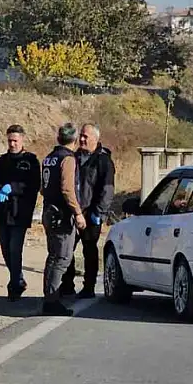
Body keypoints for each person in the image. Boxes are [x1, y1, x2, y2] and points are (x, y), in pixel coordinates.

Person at [0, 124, 40, 301]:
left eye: (15, 140)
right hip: (3, 212)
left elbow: (33, 186)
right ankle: (19, 279)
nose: (12, 144)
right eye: (10, 140)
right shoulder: (1, 161)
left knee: (15, 249)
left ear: (22, 140)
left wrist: (13, 188)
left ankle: (14, 284)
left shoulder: (30, 161)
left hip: (20, 212)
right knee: (5, 250)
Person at [62, 123, 115, 299]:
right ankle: (67, 284)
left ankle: (89, 286)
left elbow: (107, 189)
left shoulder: (103, 160)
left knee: (89, 251)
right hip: (73, 211)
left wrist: (99, 212)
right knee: (66, 249)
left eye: (86, 136)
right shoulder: (74, 157)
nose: (82, 139)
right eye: (81, 136)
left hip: (91, 213)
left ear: (95, 139)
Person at [39, 123, 86, 316]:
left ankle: (49, 297)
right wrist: (78, 212)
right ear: (74, 140)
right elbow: (67, 189)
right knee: (62, 258)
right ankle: (52, 300)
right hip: (62, 215)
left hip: (49, 211)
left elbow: (43, 187)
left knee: (52, 257)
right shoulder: (67, 159)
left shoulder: (49, 158)